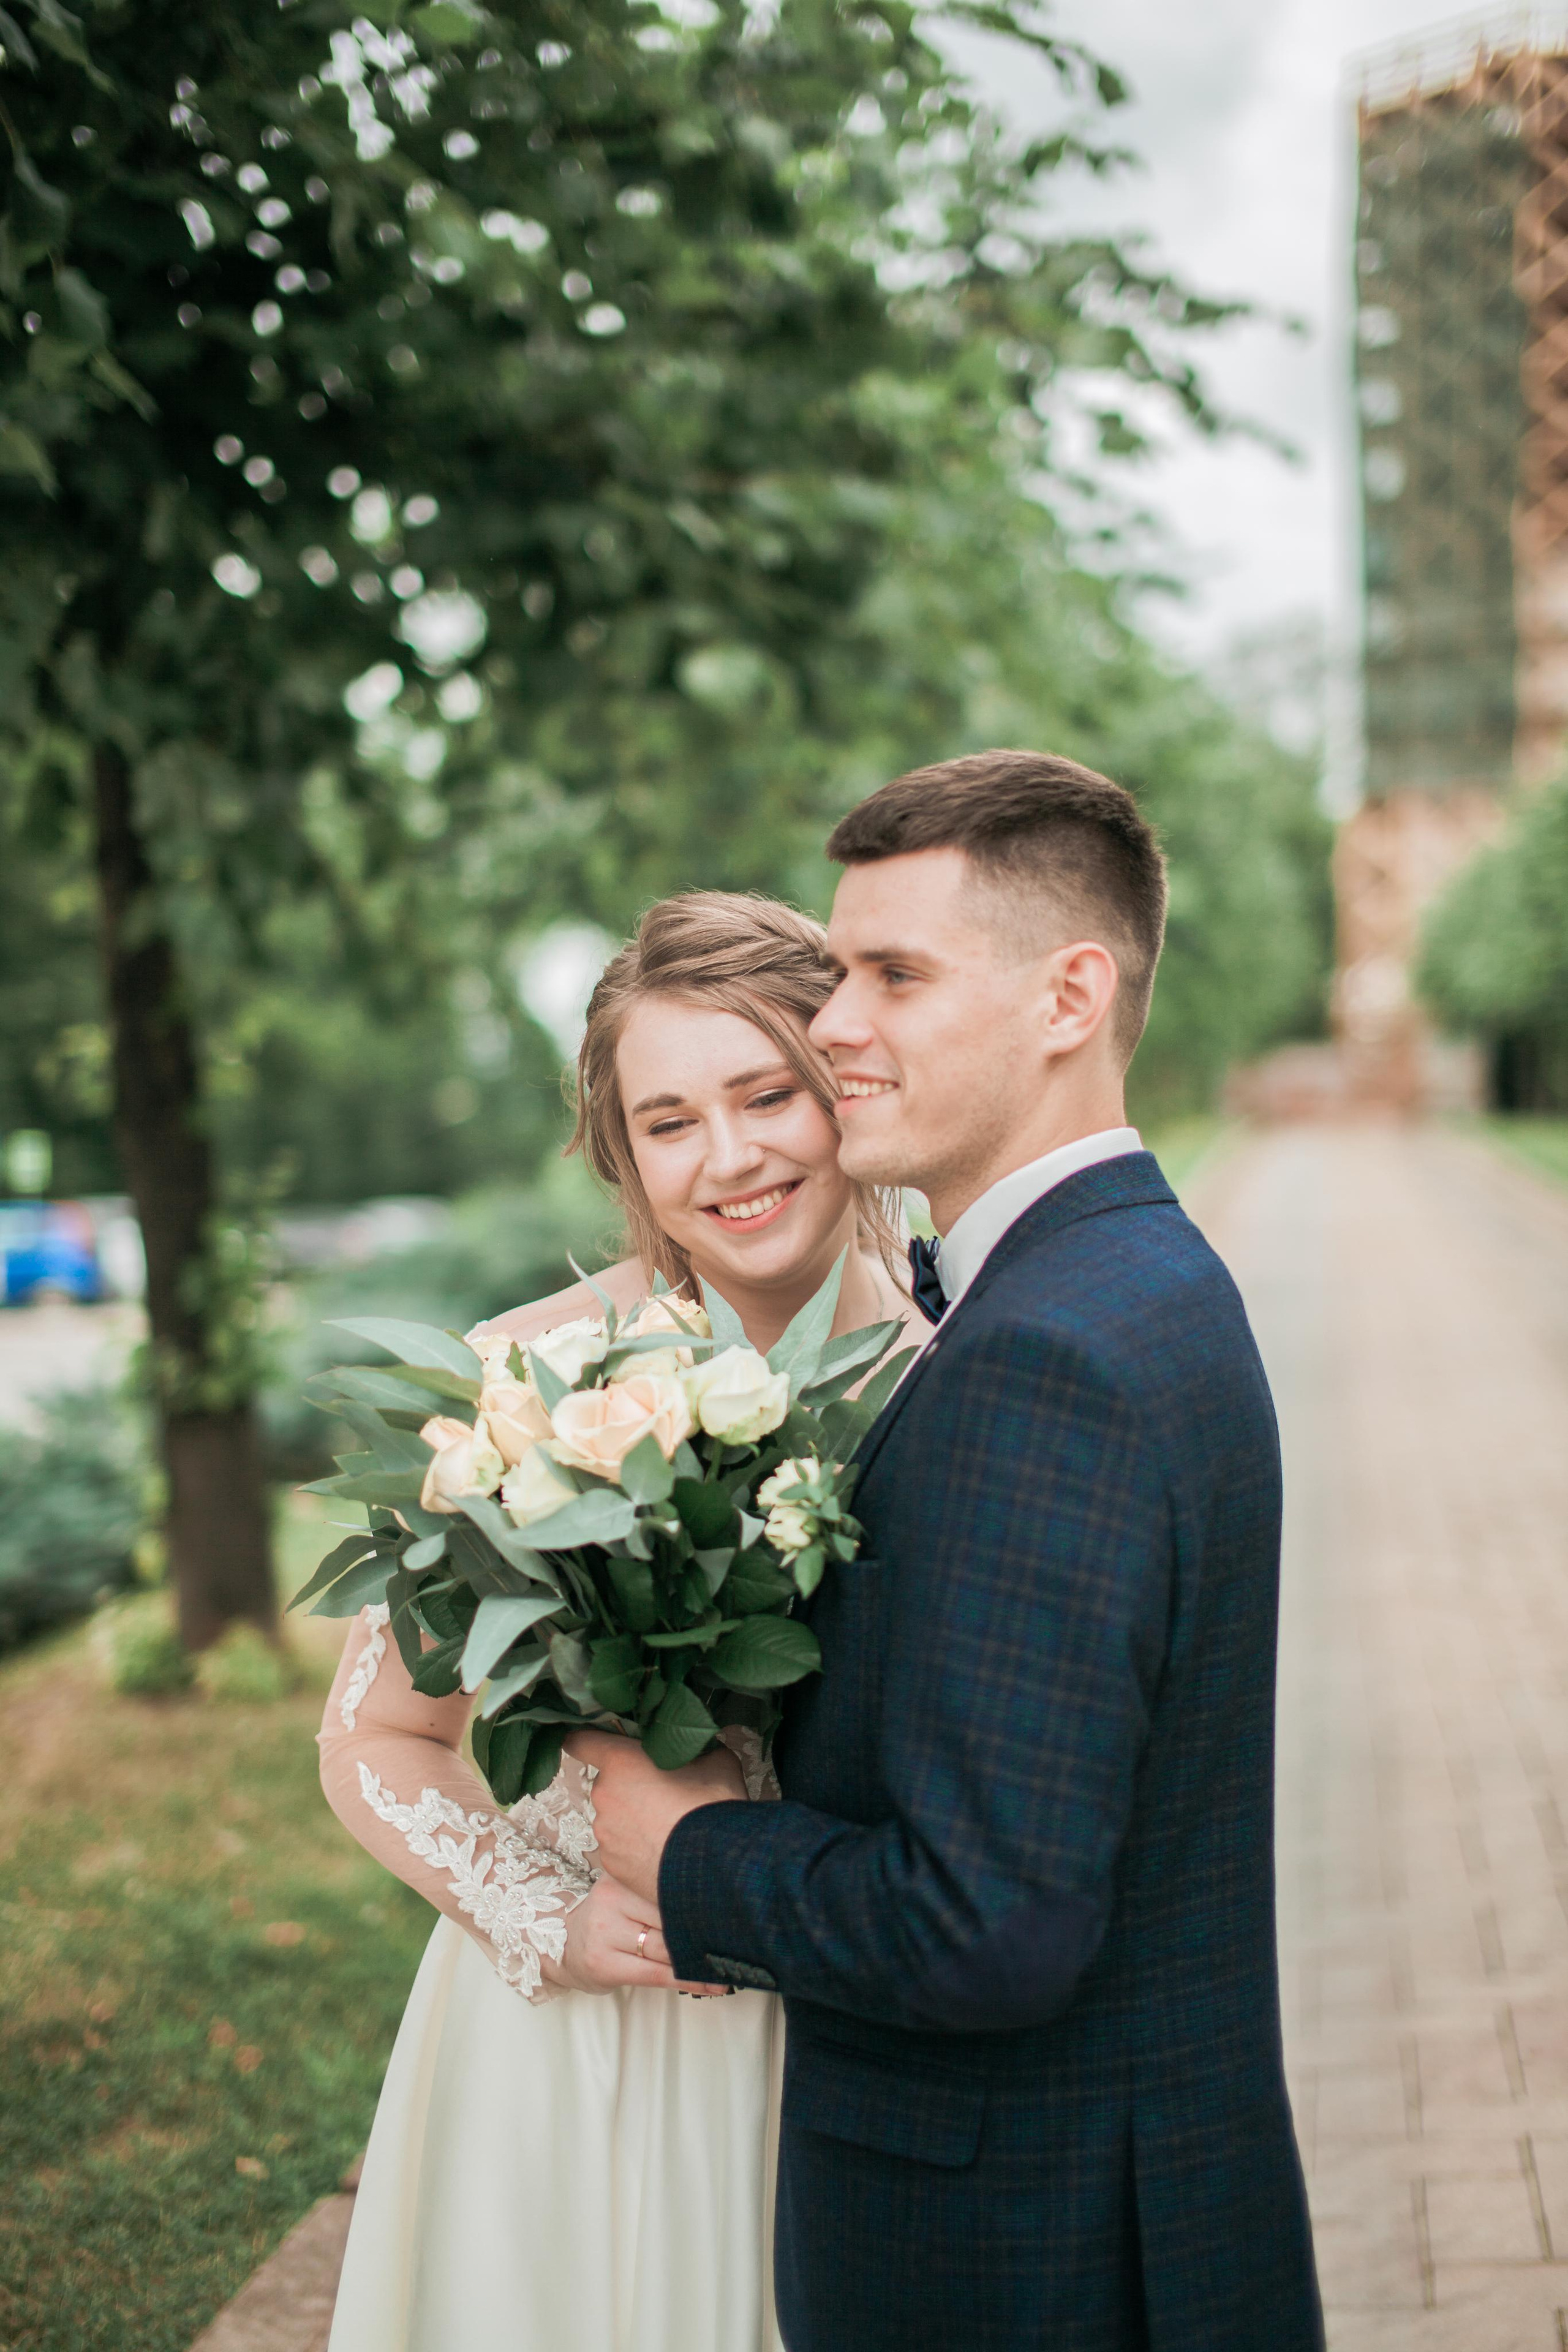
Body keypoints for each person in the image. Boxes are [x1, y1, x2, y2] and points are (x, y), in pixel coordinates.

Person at [576, 751, 1325, 2351]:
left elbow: (984, 1925)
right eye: (837, 973)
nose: (835, 1023)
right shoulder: (1128, 1282)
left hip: (1020, 2262)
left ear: (1070, 997)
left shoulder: (1047, 1361)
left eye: (894, 976)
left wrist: (674, 1846)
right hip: (1119, 2213)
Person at [317, 891, 916, 2352]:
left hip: (825, 2057)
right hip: (558, 2048)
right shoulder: (525, 1381)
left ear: (847, 1084)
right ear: (624, 1156)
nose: (730, 1159)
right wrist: (547, 1921)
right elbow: (376, 1739)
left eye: (768, 1094)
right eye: (668, 1122)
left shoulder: (949, 1379)